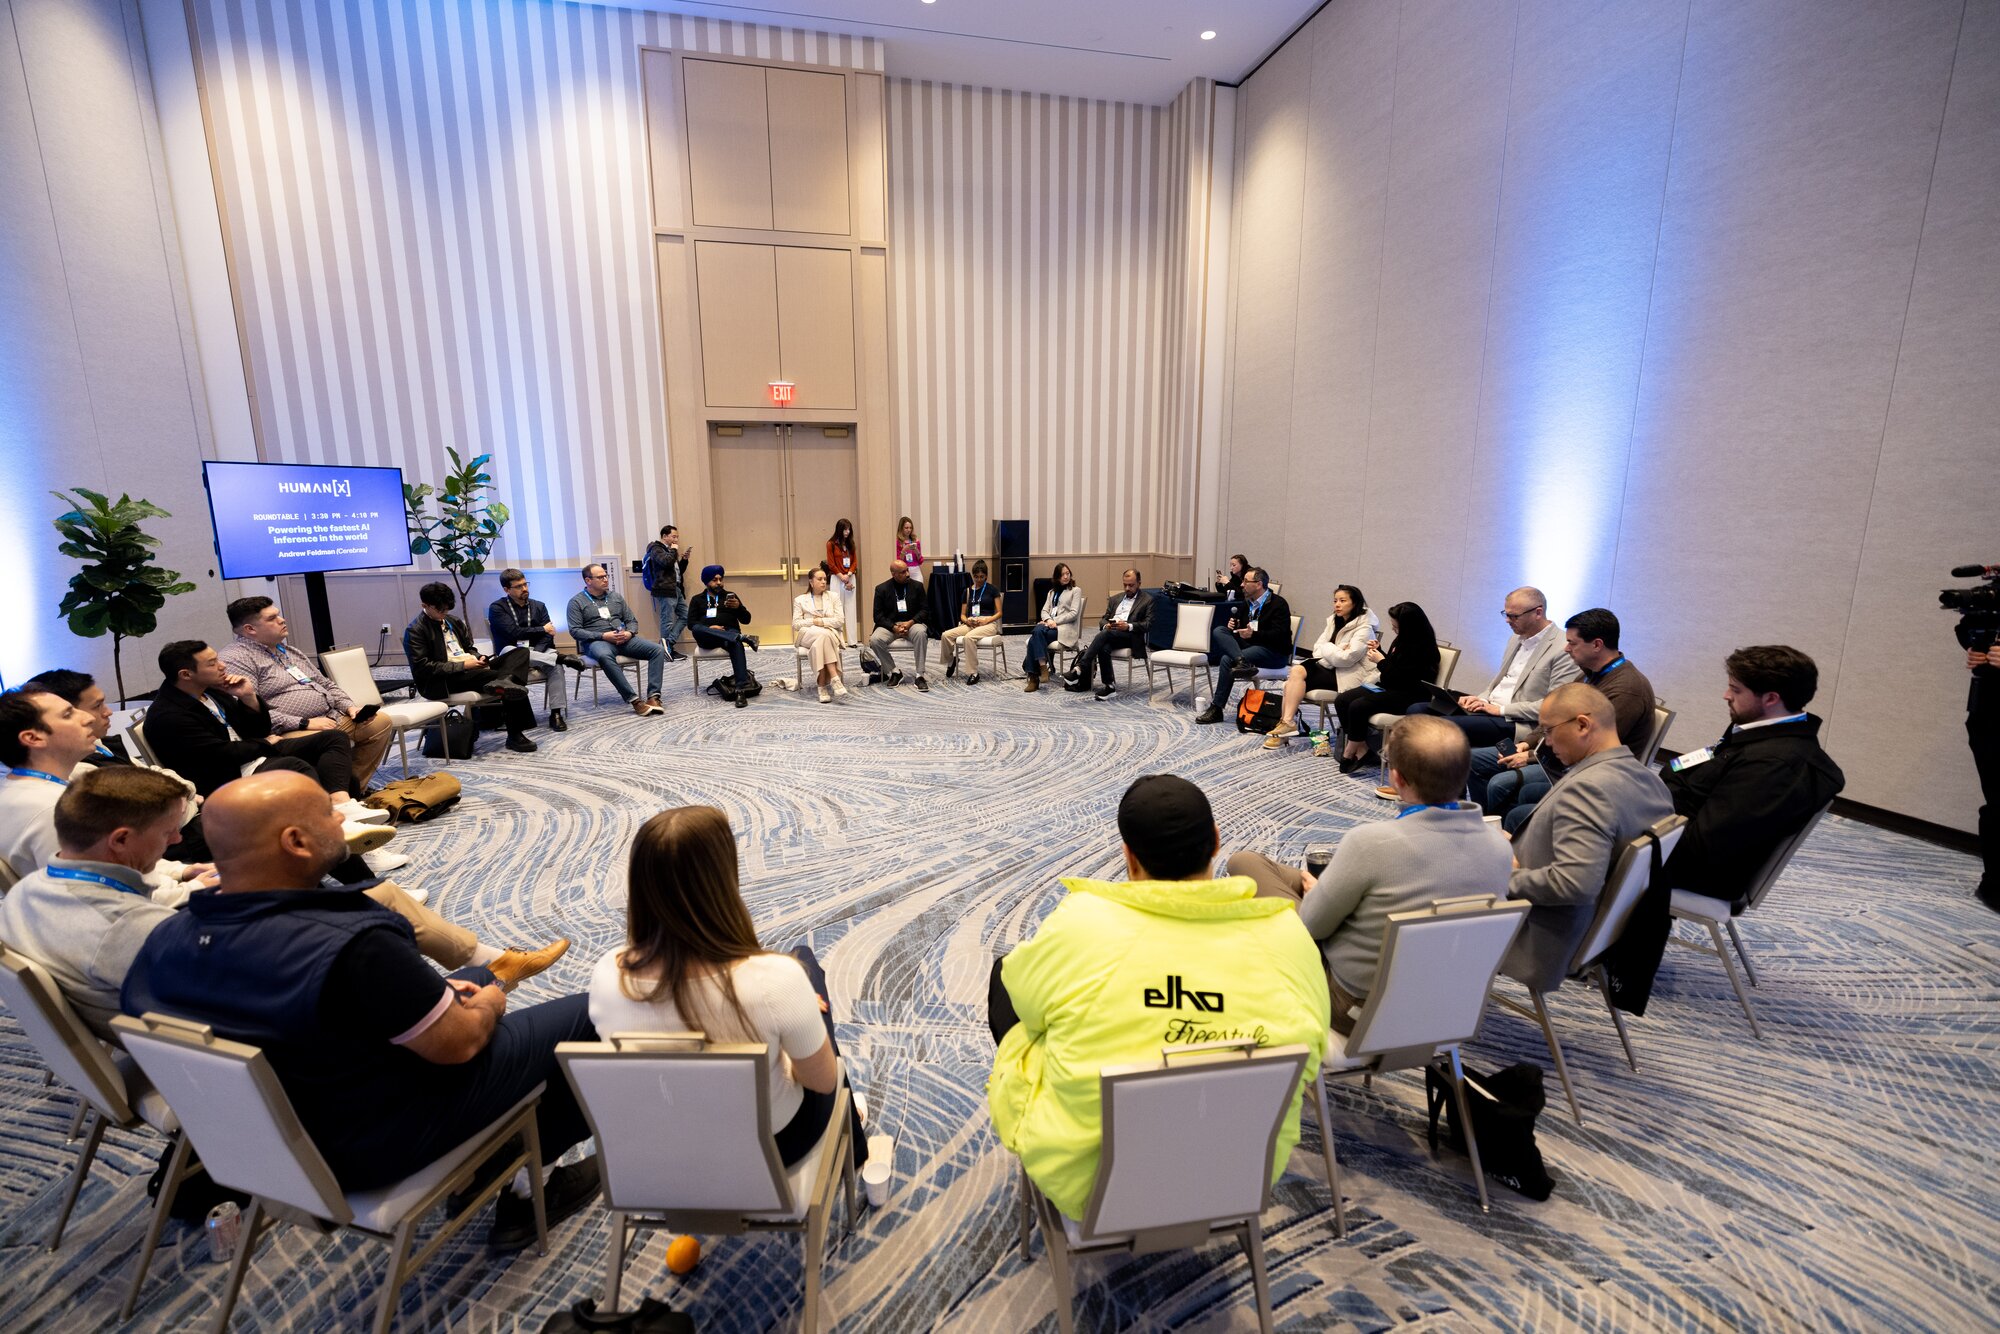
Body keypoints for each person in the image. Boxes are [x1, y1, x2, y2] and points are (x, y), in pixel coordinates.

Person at [121, 770, 600, 1250]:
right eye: (330, 813)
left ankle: (497, 1129)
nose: (343, 817)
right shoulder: (354, 942)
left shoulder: (166, 938)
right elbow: (460, 1046)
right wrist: (491, 1005)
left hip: (270, 1139)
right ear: (296, 841)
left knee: (470, 982)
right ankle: (528, 1193)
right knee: (589, 1013)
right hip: (375, 1142)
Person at [1, 766, 567, 1038]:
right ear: (121, 840)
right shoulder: (145, 939)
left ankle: (486, 964)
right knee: (542, 1011)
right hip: (274, 1065)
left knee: (374, 906)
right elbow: (271, 1002)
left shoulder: (29, 891)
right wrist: (466, 998)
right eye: (168, 832)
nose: (177, 840)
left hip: (162, 1036)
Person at [986, 774, 1328, 1222]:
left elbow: (1028, 1005)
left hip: (1088, 1183)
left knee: (1009, 980)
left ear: (1128, 857)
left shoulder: (1082, 924)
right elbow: (1315, 1046)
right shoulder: (1286, 933)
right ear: (1217, 843)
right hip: (1242, 1173)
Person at [588, 806, 869, 1170]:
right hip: (772, 1148)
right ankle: (855, 1144)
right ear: (721, 880)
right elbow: (821, 1082)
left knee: (798, 986)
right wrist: (792, 1027)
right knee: (806, 967)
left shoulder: (607, 974)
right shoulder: (777, 979)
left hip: (666, 1148)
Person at [1227, 716, 1511, 1031]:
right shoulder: (1499, 849)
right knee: (1273, 870)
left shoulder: (1372, 844)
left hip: (1356, 1007)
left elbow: (1313, 927)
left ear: (1397, 778)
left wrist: (1316, 895)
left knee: (1243, 864)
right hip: (1444, 1005)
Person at [1601, 646, 1847, 1008]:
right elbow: (1690, 775)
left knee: (1574, 836)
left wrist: (1631, 817)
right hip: (1679, 838)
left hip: (1698, 869)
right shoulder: (1758, 732)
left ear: (1771, 698)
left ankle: (1567, 949)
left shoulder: (1778, 764)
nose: (1725, 695)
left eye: (1735, 688)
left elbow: (1703, 846)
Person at [1504, 683, 1674, 982]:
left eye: (1548, 731)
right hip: (1602, 935)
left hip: (1539, 935)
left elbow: (1575, 884)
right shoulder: (1652, 783)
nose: (1545, 742)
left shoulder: (1589, 788)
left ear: (1582, 724)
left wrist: (1500, 874)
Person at [1469, 608, 1656, 823]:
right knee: (1473, 760)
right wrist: (1527, 744)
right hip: (1555, 755)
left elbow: (1590, 747)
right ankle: (1485, 829)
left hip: (1587, 772)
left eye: (1572, 643)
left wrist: (1531, 757)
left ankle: (1508, 835)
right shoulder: (1590, 674)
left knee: (1503, 785)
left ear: (1597, 645)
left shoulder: (1626, 690)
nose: (1566, 649)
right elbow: (1554, 715)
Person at [147, 640, 387, 792]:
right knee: (299, 768)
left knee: (334, 741)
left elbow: (256, 729)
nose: (222, 666)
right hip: (227, 774)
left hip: (251, 754)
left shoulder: (210, 692)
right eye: (212, 663)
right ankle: (343, 821)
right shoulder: (169, 715)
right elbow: (217, 755)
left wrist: (248, 698)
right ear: (186, 674)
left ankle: (342, 806)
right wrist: (264, 744)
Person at [219, 596, 399, 783]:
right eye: (272, 618)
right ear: (250, 629)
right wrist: (304, 723)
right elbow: (249, 712)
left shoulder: (287, 650)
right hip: (286, 731)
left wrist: (350, 707)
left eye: (278, 615)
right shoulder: (237, 659)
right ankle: (334, 792)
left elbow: (326, 684)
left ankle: (350, 788)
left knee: (379, 723)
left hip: (331, 717)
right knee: (331, 740)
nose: (282, 620)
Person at [1426, 586, 1579, 748]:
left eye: (1514, 616)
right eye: (1506, 614)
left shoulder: (1564, 647)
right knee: (1419, 709)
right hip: (1490, 710)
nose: (1507, 620)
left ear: (1538, 613)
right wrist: (1481, 699)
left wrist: (1501, 710)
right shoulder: (1515, 638)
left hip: (1518, 722)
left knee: (1439, 727)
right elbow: (1498, 682)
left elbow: (1554, 706)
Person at [404, 583, 543, 749]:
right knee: (499, 678)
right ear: (424, 606)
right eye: (440, 610)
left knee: (519, 653)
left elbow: (469, 648)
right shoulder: (415, 630)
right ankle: (515, 734)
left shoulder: (452, 621)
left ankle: (505, 680)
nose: (444, 614)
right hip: (443, 680)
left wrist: (479, 658)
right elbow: (424, 668)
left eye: (447, 610)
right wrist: (464, 665)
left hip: (469, 668)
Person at [1261, 584, 1378, 748]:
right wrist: (1336, 650)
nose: (1337, 604)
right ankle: (1287, 724)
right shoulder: (1334, 621)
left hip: (1346, 676)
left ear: (1355, 603)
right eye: (1335, 600)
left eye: (1342, 600)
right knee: (1291, 681)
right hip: (1330, 667)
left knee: (1295, 675)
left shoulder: (1365, 629)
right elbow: (1317, 649)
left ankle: (1286, 726)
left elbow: (1346, 659)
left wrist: (1329, 648)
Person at [1332, 602, 1441, 772]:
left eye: (1396, 626)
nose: (1393, 628)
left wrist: (1381, 661)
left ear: (1408, 626)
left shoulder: (1424, 648)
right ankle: (1360, 744)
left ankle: (1352, 748)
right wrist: (1381, 652)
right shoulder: (1403, 638)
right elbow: (1394, 668)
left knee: (1358, 706)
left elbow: (1403, 678)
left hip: (1410, 695)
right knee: (1343, 700)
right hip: (1391, 687)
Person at [486, 569, 586, 732]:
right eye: (518, 586)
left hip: (538, 651)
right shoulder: (497, 608)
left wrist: (538, 651)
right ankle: (563, 658)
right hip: (510, 653)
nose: (524, 589)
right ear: (506, 590)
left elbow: (548, 636)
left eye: (525, 584)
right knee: (515, 651)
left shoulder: (539, 606)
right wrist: (542, 629)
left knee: (556, 668)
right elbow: (513, 632)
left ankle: (556, 714)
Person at [565, 564, 669, 717]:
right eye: (600, 577)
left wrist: (629, 632)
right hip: (597, 642)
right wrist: (602, 636)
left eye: (606, 575)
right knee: (604, 655)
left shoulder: (616, 597)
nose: (606, 579)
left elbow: (631, 620)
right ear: (588, 580)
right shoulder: (576, 602)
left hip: (623, 639)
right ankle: (634, 700)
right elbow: (575, 631)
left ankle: (653, 697)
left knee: (657, 649)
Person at [1196, 568, 1294, 725]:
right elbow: (1242, 630)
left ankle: (1216, 708)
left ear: (1258, 584)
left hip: (1273, 652)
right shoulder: (1247, 603)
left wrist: (1253, 635)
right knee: (1219, 630)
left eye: (1246, 582)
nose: (1241, 585)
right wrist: (1234, 627)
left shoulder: (1278, 604)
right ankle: (1242, 661)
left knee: (1227, 660)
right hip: (1251, 647)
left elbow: (1280, 636)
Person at [1063, 568, 1154, 701]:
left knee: (1105, 635)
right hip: (1112, 634)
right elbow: (1103, 619)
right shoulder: (1115, 599)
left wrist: (1128, 626)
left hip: (1131, 637)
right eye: (1125, 585)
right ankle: (1109, 686)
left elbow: (1148, 624)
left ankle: (1080, 668)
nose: (1127, 588)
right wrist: (1107, 625)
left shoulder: (1147, 600)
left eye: (1131, 585)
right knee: (1104, 646)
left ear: (1139, 583)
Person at [687, 564, 760, 707]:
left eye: (721, 579)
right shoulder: (697, 599)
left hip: (729, 634)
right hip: (708, 638)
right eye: (715, 579)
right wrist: (709, 627)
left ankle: (740, 690)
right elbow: (691, 624)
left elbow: (747, 619)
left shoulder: (730, 596)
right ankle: (741, 637)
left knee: (735, 642)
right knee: (697, 628)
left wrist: (738, 608)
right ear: (706, 581)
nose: (719, 582)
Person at [1965, 631, 1998, 912]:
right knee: (1996, 806)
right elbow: (1968, 626)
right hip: (1987, 713)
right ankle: (1992, 884)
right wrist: (1976, 648)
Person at [869, 560, 932, 692]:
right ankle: (894, 672)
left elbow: (925, 610)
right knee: (875, 640)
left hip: (912, 623)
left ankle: (920, 675)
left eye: (907, 570)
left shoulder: (917, 586)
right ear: (894, 574)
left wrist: (910, 623)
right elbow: (878, 616)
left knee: (921, 633)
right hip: (890, 626)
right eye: (903, 572)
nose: (908, 574)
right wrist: (894, 627)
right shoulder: (881, 589)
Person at [1020, 563, 1083, 692]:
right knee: (1037, 632)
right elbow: (1044, 611)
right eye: (1062, 574)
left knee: (1035, 636)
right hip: (1050, 627)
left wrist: (1054, 621)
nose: (1066, 576)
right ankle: (1042, 668)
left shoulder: (1075, 591)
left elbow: (1074, 613)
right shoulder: (1051, 592)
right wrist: (1048, 620)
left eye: (1068, 573)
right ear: (1057, 577)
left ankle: (1034, 677)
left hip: (1064, 629)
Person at [792, 564, 851, 703]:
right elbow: (796, 624)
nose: (824, 582)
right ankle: (835, 678)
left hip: (828, 634)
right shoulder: (800, 600)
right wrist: (813, 621)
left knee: (822, 639)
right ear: (811, 582)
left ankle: (822, 687)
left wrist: (822, 622)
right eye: (820, 579)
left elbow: (839, 621)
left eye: (825, 579)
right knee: (823, 636)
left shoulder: (833, 597)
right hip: (807, 635)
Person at [940, 559, 1002, 684]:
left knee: (968, 638)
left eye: (982, 577)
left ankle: (973, 673)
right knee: (945, 635)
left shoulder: (992, 589)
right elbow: (962, 615)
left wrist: (986, 620)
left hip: (988, 623)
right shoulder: (967, 591)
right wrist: (967, 622)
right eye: (976, 577)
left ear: (986, 576)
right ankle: (952, 661)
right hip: (971, 623)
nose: (979, 580)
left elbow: (999, 613)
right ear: (972, 576)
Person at [642, 524, 693, 660]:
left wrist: (684, 560)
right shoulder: (656, 549)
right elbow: (666, 563)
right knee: (667, 621)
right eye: (673, 536)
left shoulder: (670, 550)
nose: (676, 540)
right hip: (664, 589)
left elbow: (677, 572)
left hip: (675, 588)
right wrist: (674, 551)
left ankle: (668, 643)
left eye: (677, 537)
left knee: (686, 616)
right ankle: (667, 650)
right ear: (664, 536)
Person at [826, 518, 860, 642]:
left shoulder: (851, 544)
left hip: (850, 577)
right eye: (845, 529)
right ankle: (838, 640)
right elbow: (831, 564)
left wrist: (849, 574)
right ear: (839, 530)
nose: (847, 532)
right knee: (837, 608)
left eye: (849, 529)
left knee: (850, 607)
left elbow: (855, 561)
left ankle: (852, 641)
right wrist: (842, 577)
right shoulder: (831, 544)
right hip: (837, 578)